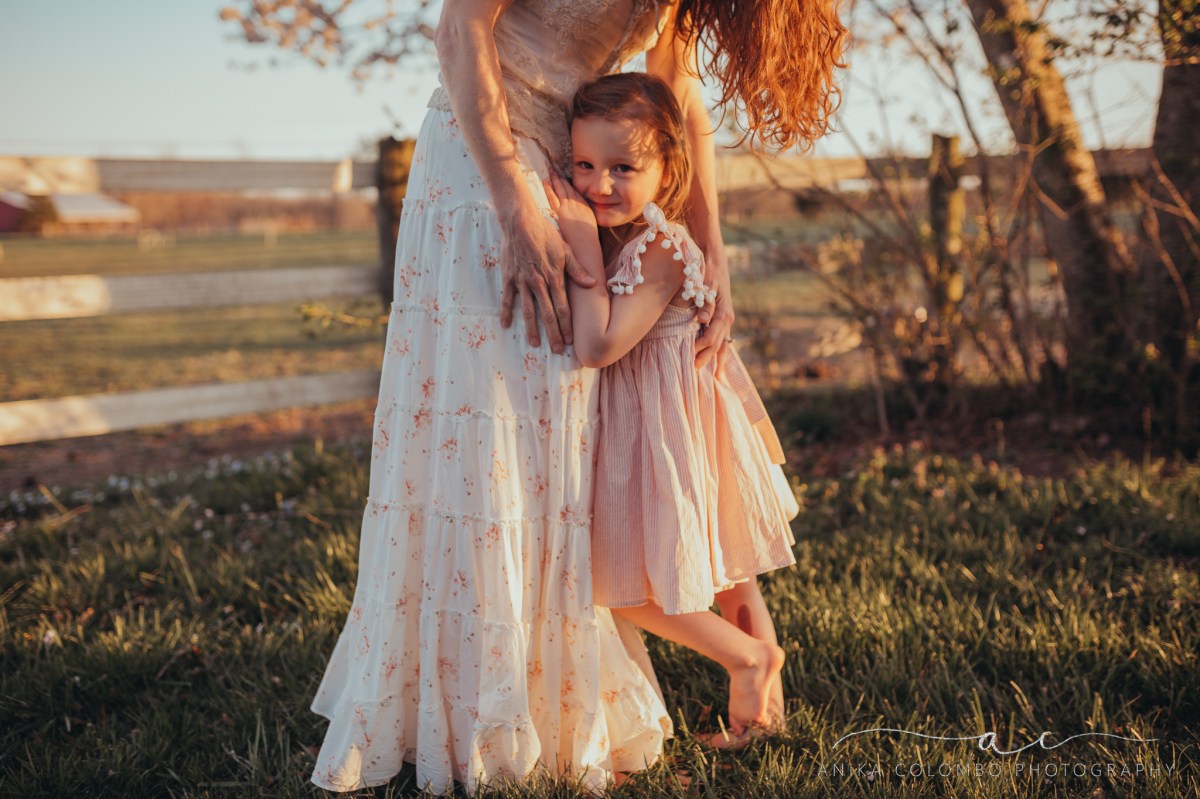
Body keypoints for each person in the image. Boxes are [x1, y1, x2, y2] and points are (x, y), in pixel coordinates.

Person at [308, 0, 847, 794]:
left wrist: (712, 255)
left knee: (557, 459)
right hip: (485, 166)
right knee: (483, 442)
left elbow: (676, 97)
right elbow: (460, 29)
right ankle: (462, 709)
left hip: (578, 180)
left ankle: (552, 711)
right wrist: (512, 201)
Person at [545, 71, 802, 743]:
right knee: (732, 575)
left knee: (621, 582)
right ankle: (761, 719)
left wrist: (578, 243)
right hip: (674, 419)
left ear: (668, 167)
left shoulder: (661, 248)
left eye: (623, 168)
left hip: (668, 433)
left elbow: (599, 344)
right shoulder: (629, 233)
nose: (599, 184)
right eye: (584, 165)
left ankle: (745, 658)